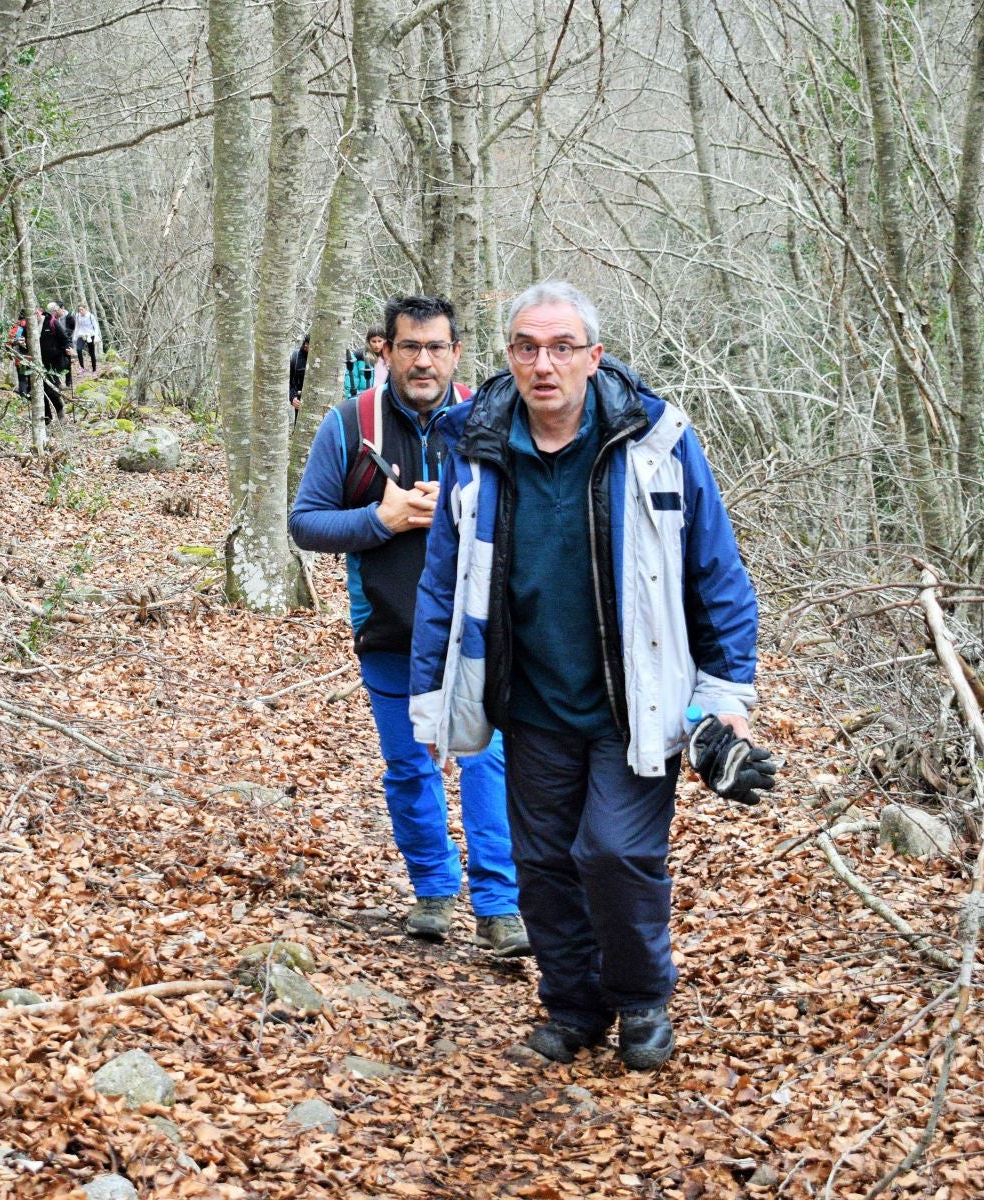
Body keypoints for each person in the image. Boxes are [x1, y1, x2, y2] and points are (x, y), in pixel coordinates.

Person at [408, 279, 772, 1070]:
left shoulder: (655, 439)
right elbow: (444, 578)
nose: (545, 364)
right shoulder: (477, 442)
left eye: (562, 347)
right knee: (542, 866)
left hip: (633, 701)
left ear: (594, 357)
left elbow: (716, 571)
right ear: (508, 357)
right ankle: (573, 1007)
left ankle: (641, 1000)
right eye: (528, 347)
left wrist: (725, 696)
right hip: (529, 702)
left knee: (613, 854)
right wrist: (432, 702)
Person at [289, 294, 527, 957]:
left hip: (480, 631)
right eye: (410, 347)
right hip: (390, 630)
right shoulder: (350, 425)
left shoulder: (494, 419)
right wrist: (380, 520)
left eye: (437, 348)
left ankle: (500, 907)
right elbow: (304, 522)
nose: (424, 361)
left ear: (456, 352)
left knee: (487, 762)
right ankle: (431, 890)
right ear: (385, 351)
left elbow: (536, 517)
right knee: (408, 765)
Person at [39, 303, 74, 422]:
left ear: (40, 311)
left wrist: (68, 347)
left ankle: (60, 411)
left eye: (36, 312)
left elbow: (65, 338)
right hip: (37, 363)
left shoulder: (51, 322)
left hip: (53, 362)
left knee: (51, 388)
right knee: (40, 390)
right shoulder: (29, 326)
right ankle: (47, 417)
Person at [8, 317, 32, 398]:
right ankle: (29, 395)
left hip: (19, 359)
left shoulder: (15, 329)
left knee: (22, 378)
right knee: (30, 378)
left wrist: (10, 355)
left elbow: (8, 343)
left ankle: (23, 396)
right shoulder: (32, 328)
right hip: (31, 359)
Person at [74, 304, 101, 372]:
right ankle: (82, 367)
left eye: (82, 309)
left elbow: (96, 326)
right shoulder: (77, 316)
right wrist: (75, 336)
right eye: (79, 310)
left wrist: (96, 336)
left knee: (91, 353)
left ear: (85, 309)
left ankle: (94, 370)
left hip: (90, 335)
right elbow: (77, 326)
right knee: (78, 349)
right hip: (81, 335)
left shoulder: (90, 316)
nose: (80, 311)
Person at [289, 334, 310, 413]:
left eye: (308, 343)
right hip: (300, 405)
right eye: (306, 343)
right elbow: (288, 382)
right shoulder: (296, 357)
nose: (306, 345)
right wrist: (292, 398)